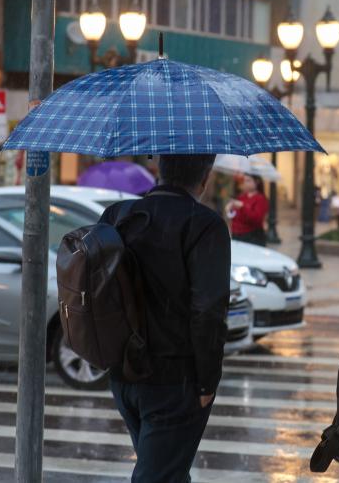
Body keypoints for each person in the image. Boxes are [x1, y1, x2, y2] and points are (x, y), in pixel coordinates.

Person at [100, 154, 231, 483]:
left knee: (167, 470)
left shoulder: (119, 215)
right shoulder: (203, 224)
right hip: (174, 379)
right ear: (205, 178)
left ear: (159, 170)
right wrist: (207, 381)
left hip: (124, 373)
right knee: (160, 475)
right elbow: (209, 310)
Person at [226, 174, 269, 246]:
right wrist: (230, 210)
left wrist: (242, 206)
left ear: (257, 182)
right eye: (244, 180)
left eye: (248, 180)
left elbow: (257, 218)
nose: (245, 183)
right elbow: (235, 216)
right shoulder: (241, 197)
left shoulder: (261, 199)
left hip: (252, 237)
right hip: (236, 235)